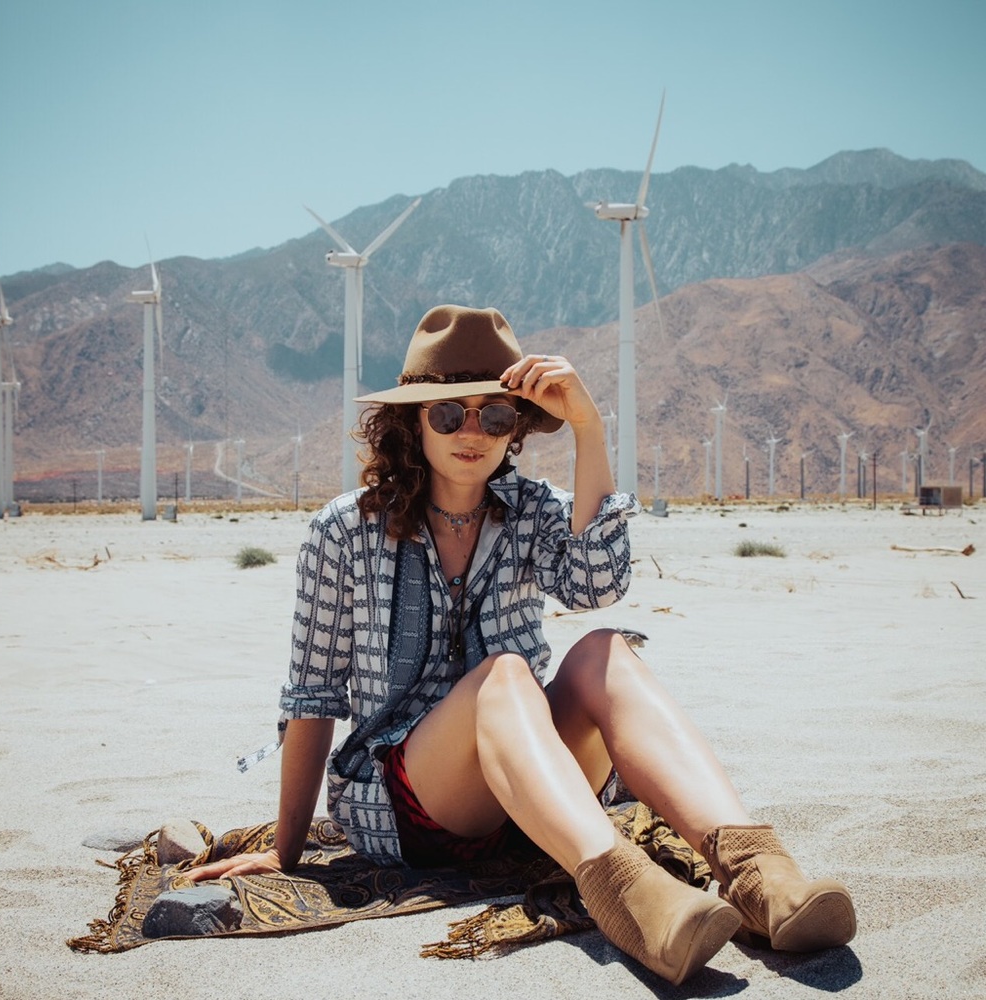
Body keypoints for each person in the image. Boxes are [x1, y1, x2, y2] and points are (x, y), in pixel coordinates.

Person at [189, 305, 856, 985]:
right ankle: (629, 895)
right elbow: (314, 694)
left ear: (518, 428)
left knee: (604, 649)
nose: (471, 431)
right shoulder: (344, 531)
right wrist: (287, 849)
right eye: (449, 413)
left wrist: (588, 428)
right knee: (506, 674)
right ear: (413, 421)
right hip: (412, 802)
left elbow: (597, 585)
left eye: (496, 416)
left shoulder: (533, 508)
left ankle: (759, 875)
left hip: (539, 794)